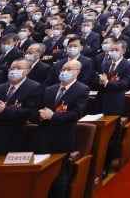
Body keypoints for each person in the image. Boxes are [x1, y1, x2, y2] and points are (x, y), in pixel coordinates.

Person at [37, 60, 90, 198]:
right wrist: (41, 116)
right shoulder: (50, 89)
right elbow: (41, 109)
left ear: (77, 72)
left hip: (63, 137)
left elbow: (77, 114)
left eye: (69, 69)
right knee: (43, 172)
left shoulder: (82, 89)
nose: (64, 72)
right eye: (63, 69)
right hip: (44, 136)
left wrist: (53, 116)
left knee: (59, 175)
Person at [0, 58, 43, 154]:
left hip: (16, 135)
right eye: (12, 68)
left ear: (28, 71)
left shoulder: (34, 87)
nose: (14, 71)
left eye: (19, 68)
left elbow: (31, 112)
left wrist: (5, 110)